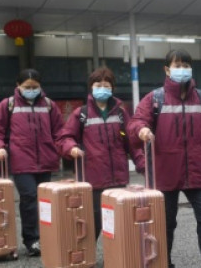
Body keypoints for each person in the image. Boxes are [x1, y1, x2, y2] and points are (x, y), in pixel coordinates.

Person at [128, 50, 201, 268]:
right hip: (165, 172)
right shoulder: (155, 99)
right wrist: (141, 130)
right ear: (167, 69)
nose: (182, 69)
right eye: (177, 65)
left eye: (186, 64)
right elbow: (136, 122)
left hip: (197, 171)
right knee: (165, 223)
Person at [58, 67, 145, 241]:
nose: (102, 88)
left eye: (106, 85)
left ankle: (115, 261)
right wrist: (71, 148)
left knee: (119, 222)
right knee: (94, 222)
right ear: (91, 87)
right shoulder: (81, 114)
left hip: (118, 179)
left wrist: (143, 164)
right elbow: (64, 137)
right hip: (93, 179)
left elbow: (132, 143)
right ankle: (87, 259)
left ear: (112, 88)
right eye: (98, 84)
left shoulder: (121, 113)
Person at [0, 69, 64, 256]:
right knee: (29, 197)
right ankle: (32, 239)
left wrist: (64, 148)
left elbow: (60, 132)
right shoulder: (8, 105)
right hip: (21, 161)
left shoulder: (49, 105)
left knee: (46, 201)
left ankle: (46, 235)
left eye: (35, 87)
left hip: (45, 160)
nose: (31, 90)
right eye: (27, 87)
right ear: (18, 86)